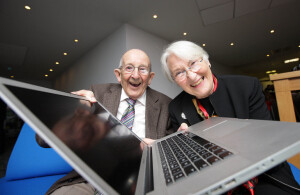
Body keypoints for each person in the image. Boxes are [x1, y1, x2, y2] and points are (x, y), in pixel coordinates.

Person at [161, 40, 300, 194]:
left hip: (263, 175)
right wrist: (184, 146)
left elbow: (270, 145)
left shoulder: (246, 87)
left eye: (193, 63)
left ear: (207, 61)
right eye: (179, 73)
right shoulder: (176, 107)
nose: (191, 76)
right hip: (214, 184)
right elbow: (189, 170)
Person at [38, 49, 175, 195]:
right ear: (118, 74)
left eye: (143, 69)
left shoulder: (166, 105)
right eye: (129, 68)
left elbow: (173, 151)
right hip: (91, 177)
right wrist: (75, 112)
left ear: (150, 77)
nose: (135, 75)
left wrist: (155, 150)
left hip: (142, 180)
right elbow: (42, 140)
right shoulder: (96, 93)